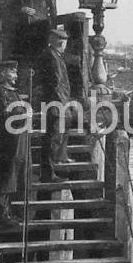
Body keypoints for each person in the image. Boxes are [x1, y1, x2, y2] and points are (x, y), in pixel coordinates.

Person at [0, 60, 26, 228]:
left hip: (16, 141)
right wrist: (25, 114)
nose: (15, 76)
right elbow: (5, 115)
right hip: (5, 141)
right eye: (12, 72)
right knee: (4, 177)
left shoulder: (13, 93)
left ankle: (7, 212)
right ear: (2, 73)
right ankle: (2, 215)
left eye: (15, 72)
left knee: (12, 176)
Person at [11, 0, 57, 82]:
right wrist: (22, 9)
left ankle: (39, 86)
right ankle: (23, 85)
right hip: (24, 29)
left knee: (40, 57)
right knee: (24, 58)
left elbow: (53, 10)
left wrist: (53, 30)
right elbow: (13, 6)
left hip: (41, 28)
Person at [37, 29, 73, 183]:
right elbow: (56, 82)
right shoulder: (52, 57)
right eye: (63, 41)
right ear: (59, 42)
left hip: (61, 101)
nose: (64, 44)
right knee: (53, 137)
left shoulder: (56, 56)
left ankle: (61, 157)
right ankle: (47, 173)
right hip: (56, 102)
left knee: (62, 129)